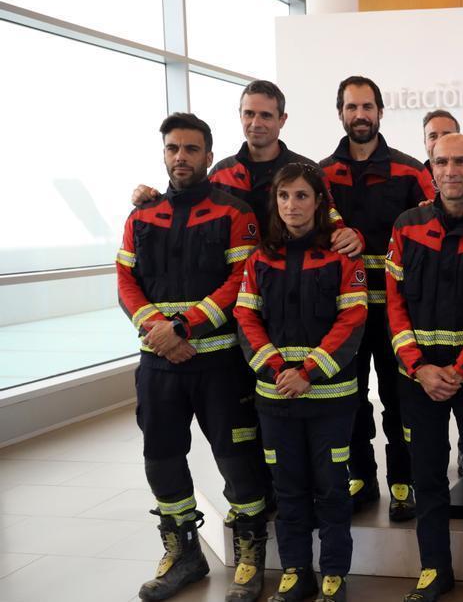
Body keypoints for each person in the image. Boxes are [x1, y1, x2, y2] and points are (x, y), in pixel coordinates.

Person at [116, 113, 267, 601]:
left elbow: (239, 282)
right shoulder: (141, 216)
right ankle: (183, 554)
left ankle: (250, 554)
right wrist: (155, 330)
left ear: (208, 154)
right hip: (158, 366)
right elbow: (125, 282)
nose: (181, 157)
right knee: (161, 458)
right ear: (164, 153)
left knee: (237, 459)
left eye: (191, 149)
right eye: (173, 148)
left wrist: (183, 326)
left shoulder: (234, 213)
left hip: (220, 365)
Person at [385, 133, 463, 602]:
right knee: (428, 477)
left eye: (462, 162)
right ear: (431, 170)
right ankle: (434, 568)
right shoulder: (406, 225)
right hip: (419, 381)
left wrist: (460, 367)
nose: (452, 170)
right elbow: (394, 305)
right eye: (442, 162)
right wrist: (418, 367)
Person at [234, 162, 369, 602]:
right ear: (275, 202)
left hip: (330, 398)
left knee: (331, 487)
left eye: (302, 196)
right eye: (284, 196)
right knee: (287, 488)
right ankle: (295, 571)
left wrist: (308, 371)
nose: (292, 205)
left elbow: (353, 318)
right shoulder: (260, 260)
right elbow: (246, 317)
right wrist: (278, 371)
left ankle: (333, 573)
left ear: (319, 202)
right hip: (276, 399)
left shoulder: (342, 258)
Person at [319, 75, 436, 521]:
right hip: (342, 311)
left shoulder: (410, 171)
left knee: (398, 398)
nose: (360, 115)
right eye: (351, 107)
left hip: (393, 311)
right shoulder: (321, 174)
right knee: (348, 397)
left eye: (367, 106)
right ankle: (361, 478)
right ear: (341, 113)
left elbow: (430, 231)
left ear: (381, 112)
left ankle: (402, 481)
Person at [129, 80, 362, 256]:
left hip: (293, 280)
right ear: (239, 115)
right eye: (249, 113)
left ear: (282, 119)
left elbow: (333, 224)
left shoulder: (308, 171)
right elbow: (187, 203)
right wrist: (151, 196)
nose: (256, 123)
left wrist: (353, 235)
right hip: (232, 288)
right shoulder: (220, 173)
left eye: (266, 115)